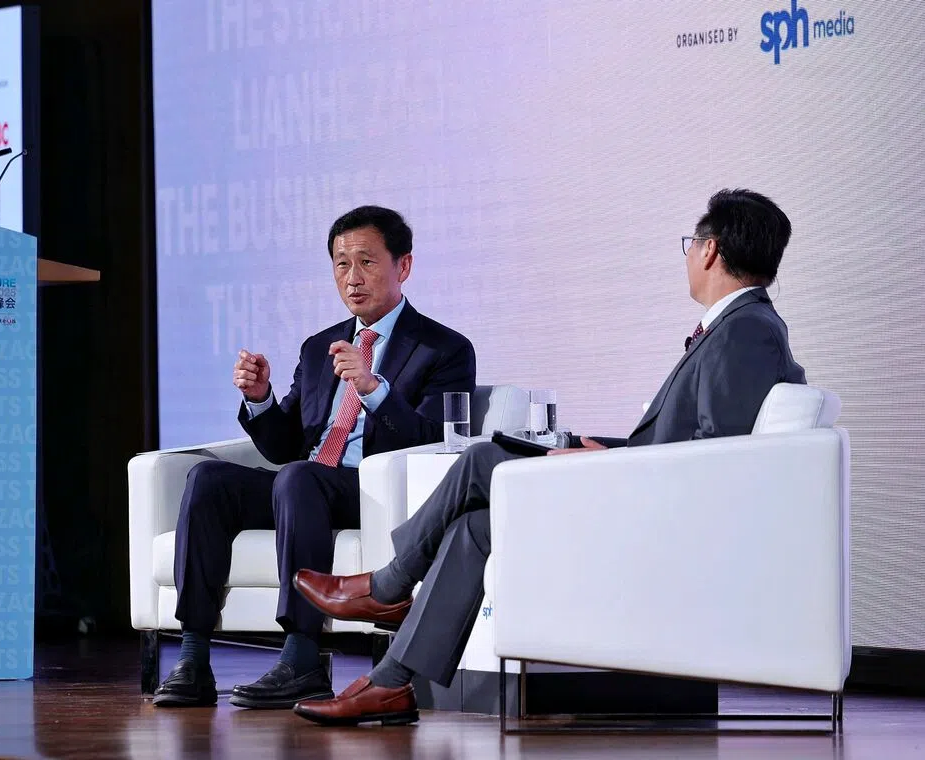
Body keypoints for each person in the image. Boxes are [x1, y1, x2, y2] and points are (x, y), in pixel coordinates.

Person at [291, 188, 807, 726]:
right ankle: (392, 683)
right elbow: (689, 446)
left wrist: (601, 466)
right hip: (645, 489)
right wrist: (603, 450)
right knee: (473, 527)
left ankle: (387, 585)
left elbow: (714, 462)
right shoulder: (739, 328)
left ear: (710, 250)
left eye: (690, 244)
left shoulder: (746, 331)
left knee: (484, 458)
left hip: (659, 515)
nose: (688, 257)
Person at [152, 205, 477, 710]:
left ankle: (303, 659)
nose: (353, 278)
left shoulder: (444, 348)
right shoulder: (319, 346)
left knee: (300, 479)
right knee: (209, 479)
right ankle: (193, 659)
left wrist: (375, 390)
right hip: (303, 488)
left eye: (367, 262)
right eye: (341, 264)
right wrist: (260, 398)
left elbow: (438, 441)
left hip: (369, 491)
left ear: (403, 266)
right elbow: (285, 447)